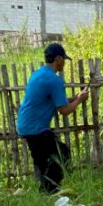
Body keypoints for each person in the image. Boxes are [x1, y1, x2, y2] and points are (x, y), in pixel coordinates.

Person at [16, 43, 89, 193]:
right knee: (63, 153)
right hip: (36, 128)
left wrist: (75, 97)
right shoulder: (54, 80)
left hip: (25, 124)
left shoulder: (38, 74)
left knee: (42, 160)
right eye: (64, 59)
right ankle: (50, 190)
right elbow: (64, 110)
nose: (64, 63)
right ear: (58, 59)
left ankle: (44, 191)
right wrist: (79, 101)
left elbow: (54, 100)